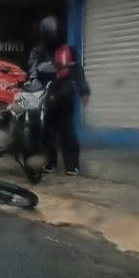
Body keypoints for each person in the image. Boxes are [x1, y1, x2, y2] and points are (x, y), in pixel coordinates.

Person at [28, 16, 90, 176]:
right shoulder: (39, 51)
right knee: (47, 130)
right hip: (47, 92)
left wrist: (84, 91)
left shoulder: (69, 51)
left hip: (64, 93)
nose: (53, 36)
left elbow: (77, 70)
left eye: (55, 32)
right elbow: (33, 68)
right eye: (50, 33)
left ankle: (72, 165)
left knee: (67, 130)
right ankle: (49, 162)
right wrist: (34, 80)